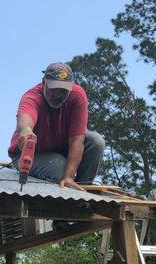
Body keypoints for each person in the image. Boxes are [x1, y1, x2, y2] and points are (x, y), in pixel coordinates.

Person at [8, 62, 105, 192]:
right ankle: (65, 186)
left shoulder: (77, 96)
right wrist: (26, 132)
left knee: (96, 142)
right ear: (44, 82)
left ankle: (81, 191)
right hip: (32, 155)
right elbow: (25, 118)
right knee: (60, 166)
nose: (58, 95)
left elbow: (77, 141)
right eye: (54, 89)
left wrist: (69, 176)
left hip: (60, 150)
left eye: (64, 90)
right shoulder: (32, 97)